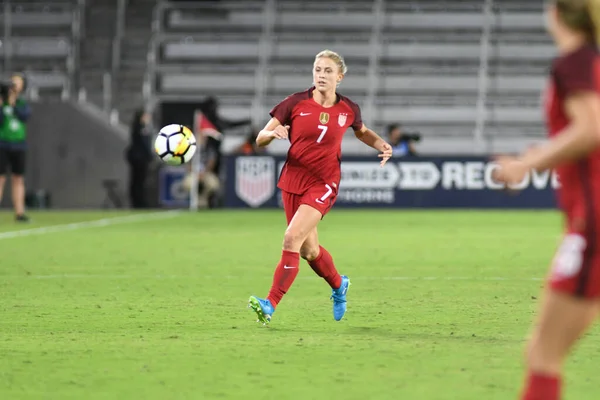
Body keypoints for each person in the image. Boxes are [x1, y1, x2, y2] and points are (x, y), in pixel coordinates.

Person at [493, 1, 600, 399]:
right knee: (544, 352)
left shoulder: (573, 63)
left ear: (556, 12)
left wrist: (527, 162)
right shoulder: (590, 61)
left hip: (591, 223)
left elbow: (591, 128)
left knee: (542, 355)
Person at [247, 49, 393, 325]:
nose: (321, 75)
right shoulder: (295, 103)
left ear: (340, 77)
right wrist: (272, 133)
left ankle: (270, 304)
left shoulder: (348, 108)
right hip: (293, 180)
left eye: (327, 71)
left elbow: (360, 131)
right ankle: (339, 285)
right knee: (309, 251)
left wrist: (381, 144)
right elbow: (259, 138)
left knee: (291, 239)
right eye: (317, 70)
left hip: (324, 182)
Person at [0, 73, 31, 222]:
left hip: (18, 145)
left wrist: (13, 102)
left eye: (17, 83)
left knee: (18, 178)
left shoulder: (21, 103)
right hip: (3, 144)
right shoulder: (2, 103)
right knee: (0, 178)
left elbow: (24, 116)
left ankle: (20, 212)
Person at [125, 109, 154, 208]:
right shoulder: (141, 128)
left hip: (137, 158)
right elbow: (144, 143)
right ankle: (139, 202)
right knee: (139, 181)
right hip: (139, 159)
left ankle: (138, 201)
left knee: (137, 181)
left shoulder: (137, 127)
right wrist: (150, 155)